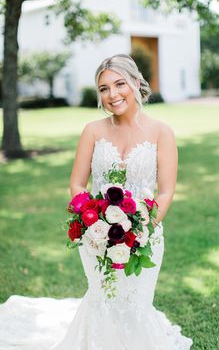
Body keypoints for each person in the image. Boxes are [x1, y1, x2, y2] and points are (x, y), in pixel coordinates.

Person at [0, 54, 193, 350]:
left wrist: (144, 230)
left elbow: (166, 191)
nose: (112, 94)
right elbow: (77, 184)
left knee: (135, 304)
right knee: (104, 299)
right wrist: (92, 222)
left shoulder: (161, 132)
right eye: (104, 88)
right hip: (97, 238)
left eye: (119, 84)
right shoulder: (93, 131)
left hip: (145, 237)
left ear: (136, 83)